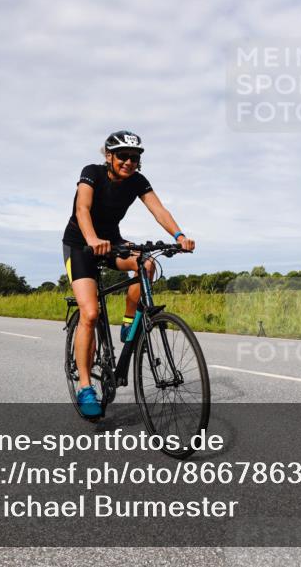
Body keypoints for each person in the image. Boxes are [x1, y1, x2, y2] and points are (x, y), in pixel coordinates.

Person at [61, 130, 195, 418]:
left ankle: (128, 321)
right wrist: (92, 239)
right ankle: (86, 387)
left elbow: (158, 209)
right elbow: (82, 208)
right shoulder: (92, 173)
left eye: (135, 158)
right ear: (109, 156)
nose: (129, 162)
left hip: (112, 243)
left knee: (146, 264)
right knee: (91, 313)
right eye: (123, 156)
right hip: (81, 246)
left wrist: (179, 234)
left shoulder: (137, 181)